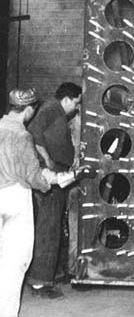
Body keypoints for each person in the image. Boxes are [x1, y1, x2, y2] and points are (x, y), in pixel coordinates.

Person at [0, 88, 62, 314]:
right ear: (29, 109)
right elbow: (33, 177)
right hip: (16, 198)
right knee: (14, 263)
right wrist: (49, 182)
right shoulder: (22, 136)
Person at [26, 82, 81, 298]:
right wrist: (47, 158)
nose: (76, 108)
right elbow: (33, 133)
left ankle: (49, 274)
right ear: (67, 99)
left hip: (58, 172)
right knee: (48, 226)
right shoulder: (50, 108)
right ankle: (40, 282)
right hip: (49, 176)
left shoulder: (57, 112)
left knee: (53, 224)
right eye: (76, 103)